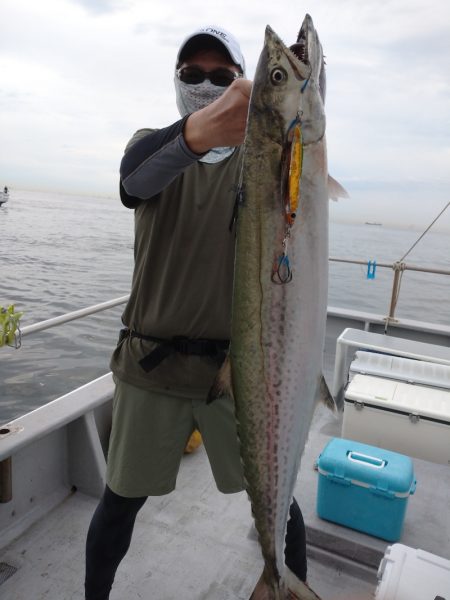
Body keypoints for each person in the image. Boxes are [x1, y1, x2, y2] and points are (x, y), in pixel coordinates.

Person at [84, 25, 307, 600]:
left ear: (243, 84)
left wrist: (283, 121)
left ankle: (283, 585)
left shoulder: (264, 165)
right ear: (176, 82)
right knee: (119, 503)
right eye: (192, 74)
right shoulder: (155, 146)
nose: (205, 84)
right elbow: (133, 179)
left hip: (238, 375)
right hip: (150, 365)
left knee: (282, 506)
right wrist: (198, 134)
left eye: (221, 75)